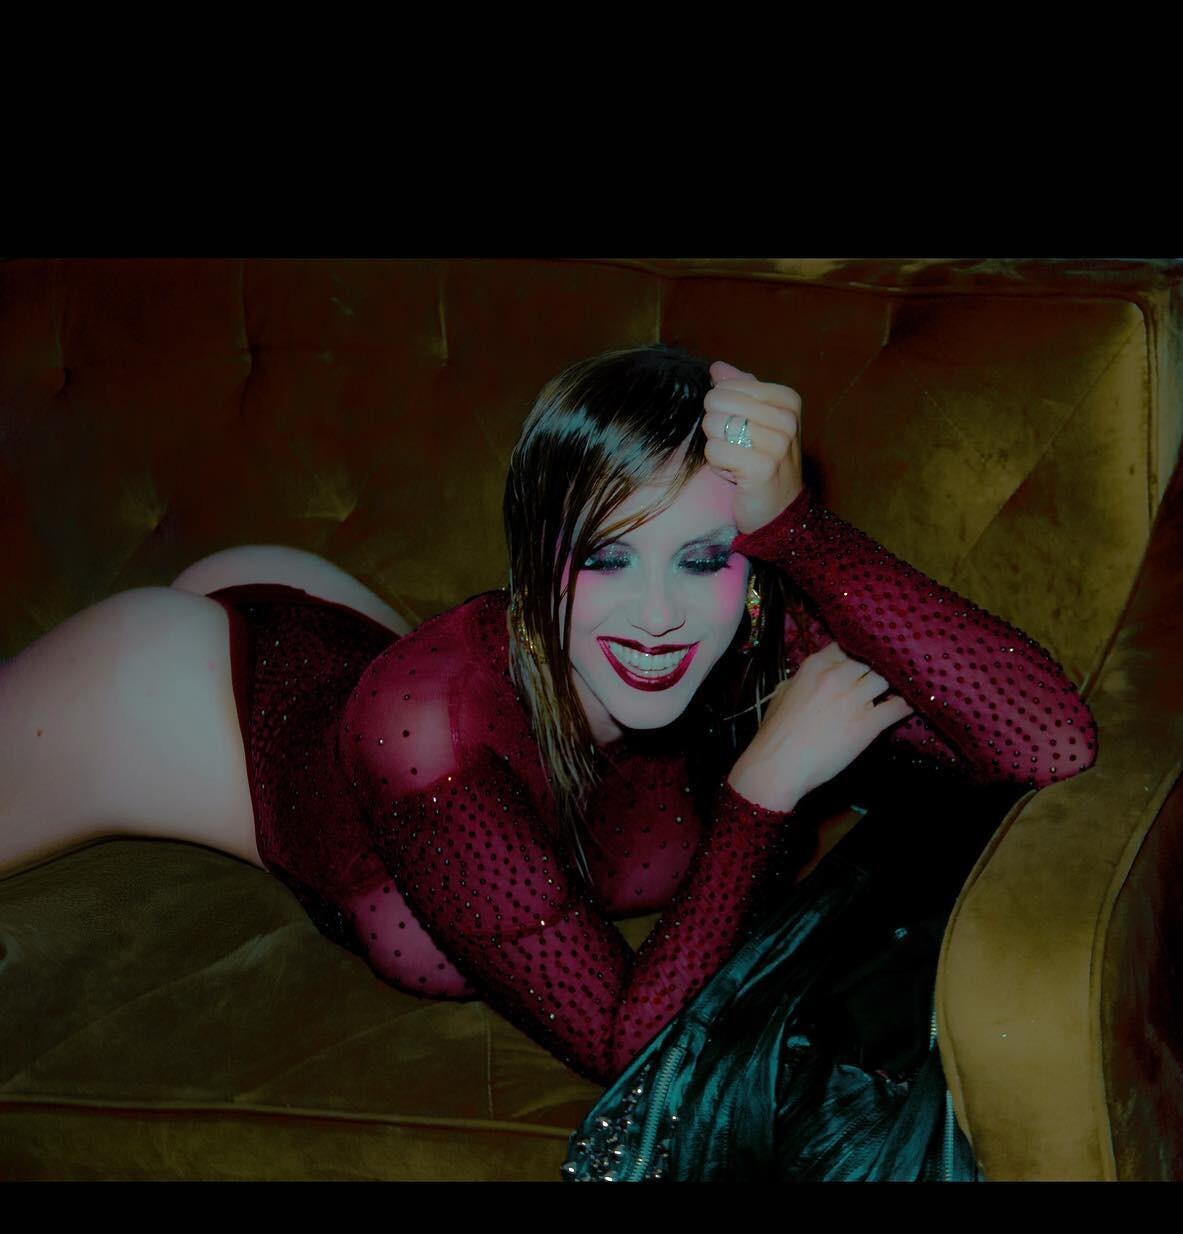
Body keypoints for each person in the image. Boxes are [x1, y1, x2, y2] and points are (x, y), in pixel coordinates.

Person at [0, 344, 1097, 1180]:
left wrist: (803, 530)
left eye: (704, 556)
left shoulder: (753, 635)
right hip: (170, 697)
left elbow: (1050, 746)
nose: (660, 615)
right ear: (535, 565)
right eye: (606, 557)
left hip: (342, 630)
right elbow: (622, 1043)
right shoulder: (424, 735)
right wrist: (762, 791)